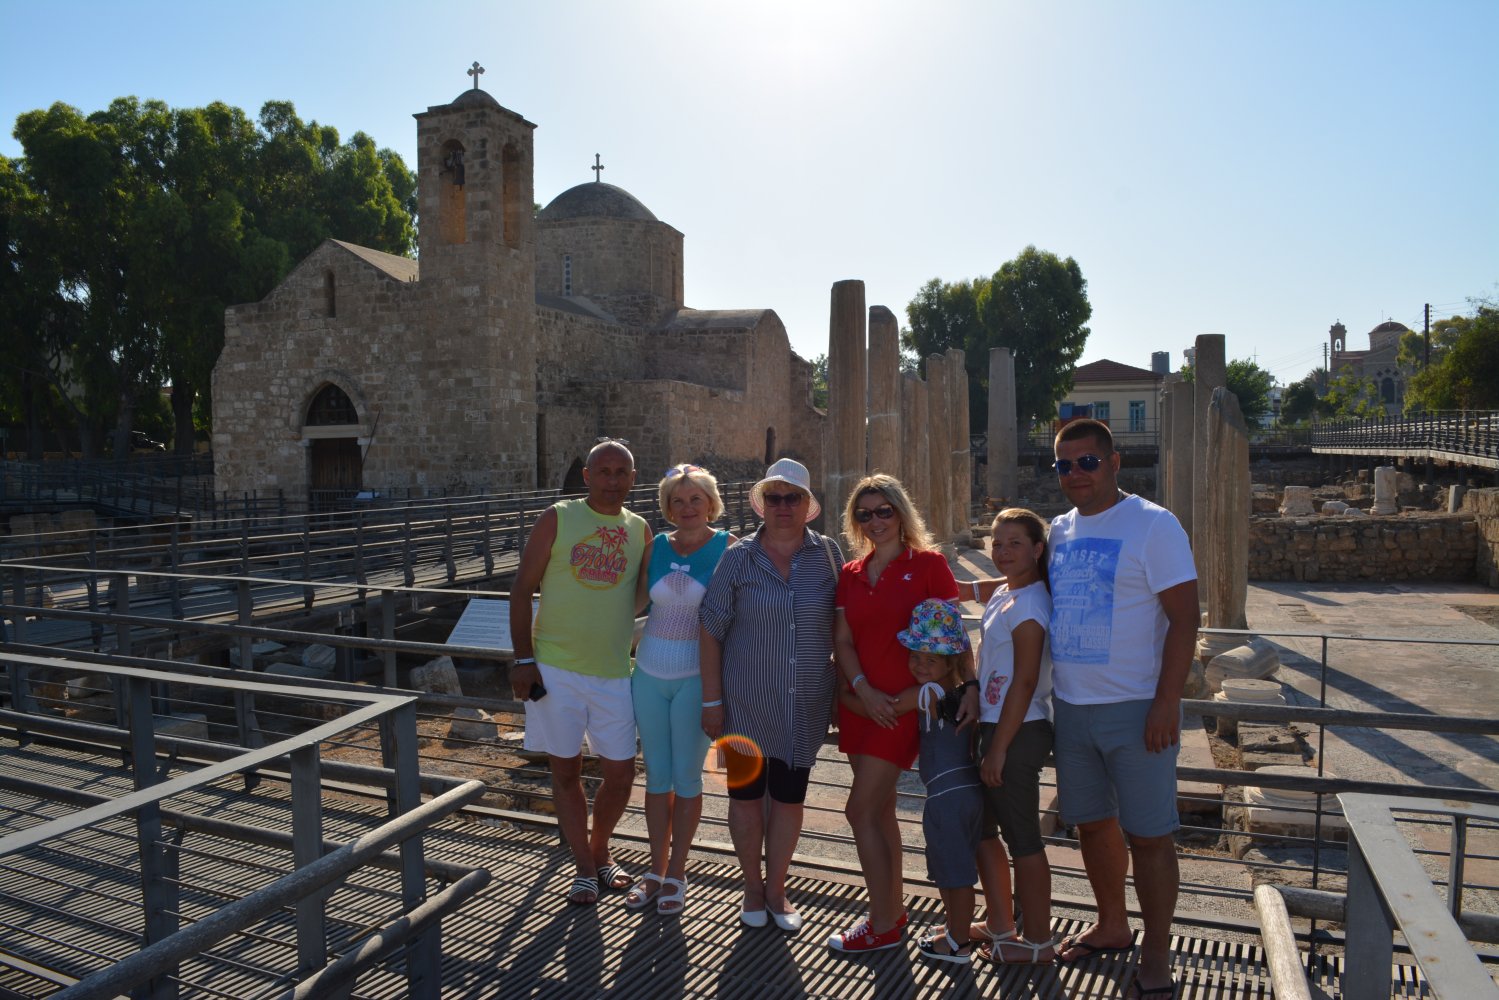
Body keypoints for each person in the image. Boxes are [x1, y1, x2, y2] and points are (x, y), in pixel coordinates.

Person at [1046, 418, 1198, 1000]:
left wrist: (1167, 702)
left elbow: (1185, 619)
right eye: (1064, 465)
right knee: (1091, 823)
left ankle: (1157, 953)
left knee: (1150, 835)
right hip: (1072, 705)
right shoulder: (1059, 530)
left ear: (1114, 463)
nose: (1076, 474)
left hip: (1137, 707)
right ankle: (1112, 923)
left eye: (1087, 462)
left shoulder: (1154, 525)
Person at [827, 474, 977, 954]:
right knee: (881, 810)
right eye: (864, 513)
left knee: (859, 811)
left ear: (900, 513)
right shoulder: (851, 572)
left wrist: (965, 686)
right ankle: (892, 910)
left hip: (901, 707)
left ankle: (882, 924)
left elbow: (956, 639)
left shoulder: (929, 565)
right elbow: (843, 641)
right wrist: (862, 690)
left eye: (884, 511)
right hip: (861, 703)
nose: (875, 521)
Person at [699, 458, 842, 934]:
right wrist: (711, 702)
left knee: (788, 798)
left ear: (807, 504)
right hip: (745, 704)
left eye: (792, 497)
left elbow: (844, 626)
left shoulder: (828, 554)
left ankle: (777, 888)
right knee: (744, 799)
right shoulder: (738, 557)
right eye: (774, 497)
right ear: (762, 503)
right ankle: (752, 888)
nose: (783, 506)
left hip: (804, 703)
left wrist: (845, 691)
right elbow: (710, 628)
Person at [508, 438, 653, 906]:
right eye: (604, 471)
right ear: (587, 476)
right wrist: (523, 659)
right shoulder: (558, 517)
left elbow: (646, 591)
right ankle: (586, 867)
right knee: (566, 771)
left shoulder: (640, 529)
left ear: (633, 479)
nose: (613, 480)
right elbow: (521, 589)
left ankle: (600, 849)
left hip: (613, 669)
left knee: (621, 774)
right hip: (556, 669)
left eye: (621, 472)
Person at [839, 598, 983, 965]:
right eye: (915, 656)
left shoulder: (929, 694)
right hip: (964, 790)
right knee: (955, 867)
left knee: (954, 873)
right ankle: (954, 931)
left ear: (950, 662)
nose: (919, 665)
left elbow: (883, 707)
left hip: (947, 796)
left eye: (930, 660)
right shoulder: (959, 692)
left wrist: (841, 693)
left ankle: (958, 943)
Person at [625, 464, 736, 916]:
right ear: (667, 507)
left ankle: (677, 872)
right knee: (657, 777)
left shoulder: (729, 547)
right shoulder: (655, 546)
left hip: (697, 677)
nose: (687, 508)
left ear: (711, 503)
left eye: (696, 499)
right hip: (648, 674)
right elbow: (632, 602)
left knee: (687, 778)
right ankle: (654, 870)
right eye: (677, 500)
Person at [970, 508, 1056, 964]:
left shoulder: (1031, 604)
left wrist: (998, 749)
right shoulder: (1008, 591)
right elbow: (983, 589)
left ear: (1038, 549)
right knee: (985, 829)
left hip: (1017, 729)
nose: (1003, 551)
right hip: (994, 722)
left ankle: (1038, 941)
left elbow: (1025, 680)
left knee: (1023, 837)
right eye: (997, 543)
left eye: (1015, 543)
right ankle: (1001, 921)